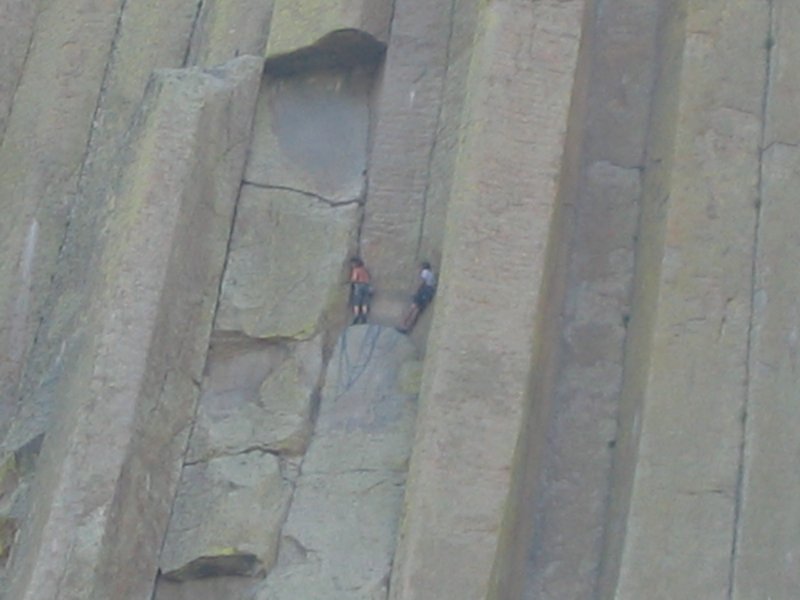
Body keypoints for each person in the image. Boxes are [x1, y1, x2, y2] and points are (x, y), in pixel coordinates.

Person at [398, 261, 436, 333]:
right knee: (417, 310)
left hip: (424, 291)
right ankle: (409, 327)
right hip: (429, 292)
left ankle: (403, 325)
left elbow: (421, 282)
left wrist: (416, 291)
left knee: (412, 308)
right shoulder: (431, 274)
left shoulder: (425, 272)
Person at [349, 257, 372, 324]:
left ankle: (356, 316)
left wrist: (350, 281)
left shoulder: (356, 269)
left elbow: (354, 278)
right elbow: (368, 277)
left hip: (359, 286)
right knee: (365, 301)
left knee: (356, 301)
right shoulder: (364, 269)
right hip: (367, 286)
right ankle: (364, 317)